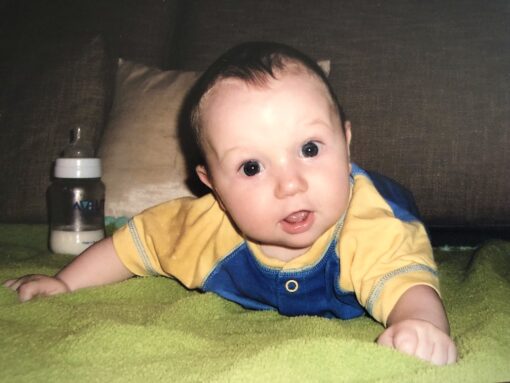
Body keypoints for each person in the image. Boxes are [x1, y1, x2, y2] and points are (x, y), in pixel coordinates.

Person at [4, 42, 457, 365]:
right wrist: (65, 283)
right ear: (212, 186)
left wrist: (422, 326)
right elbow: (132, 245)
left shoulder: (370, 226)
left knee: (406, 239)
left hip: (386, 202)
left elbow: (409, 286)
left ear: (346, 140)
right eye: (252, 168)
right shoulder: (204, 228)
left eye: (311, 149)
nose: (291, 184)